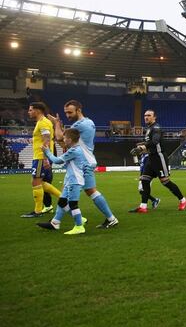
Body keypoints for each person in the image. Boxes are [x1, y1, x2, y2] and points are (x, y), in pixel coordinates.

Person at [48, 100, 118, 229]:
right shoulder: (89, 122)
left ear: (78, 110)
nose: (67, 115)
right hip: (86, 161)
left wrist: (56, 123)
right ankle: (111, 218)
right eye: (66, 113)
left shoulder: (79, 125)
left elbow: (59, 138)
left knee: (68, 192)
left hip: (81, 164)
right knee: (89, 191)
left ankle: (58, 222)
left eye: (70, 112)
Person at [130, 110, 186, 213]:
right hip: (151, 158)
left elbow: (155, 141)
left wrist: (141, 148)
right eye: (145, 115)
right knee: (144, 180)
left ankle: (183, 200)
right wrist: (141, 147)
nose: (146, 117)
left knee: (165, 181)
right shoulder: (149, 129)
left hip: (159, 157)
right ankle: (143, 206)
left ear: (154, 117)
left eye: (149, 115)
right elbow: (150, 143)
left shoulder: (156, 128)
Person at [36, 128, 90, 235]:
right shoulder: (76, 149)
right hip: (71, 179)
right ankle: (55, 222)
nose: (63, 139)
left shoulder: (74, 151)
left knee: (73, 204)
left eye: (64, 138)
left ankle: (79, 226)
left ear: (69, 139)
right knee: (62, 201)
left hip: (74, 180)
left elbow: (57, 161)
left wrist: (47, 152)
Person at [21, 102, 61, 218]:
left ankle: (38, 211)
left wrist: (45, 158)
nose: (29, 112)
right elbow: (43, 139)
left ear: (37, 111)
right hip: (40, 156)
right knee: (40, 183)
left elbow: (47, 140)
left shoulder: (43, 122)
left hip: (40, 157)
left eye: (30, 110)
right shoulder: (42, 122)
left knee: (36, 182)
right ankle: (63, 198)